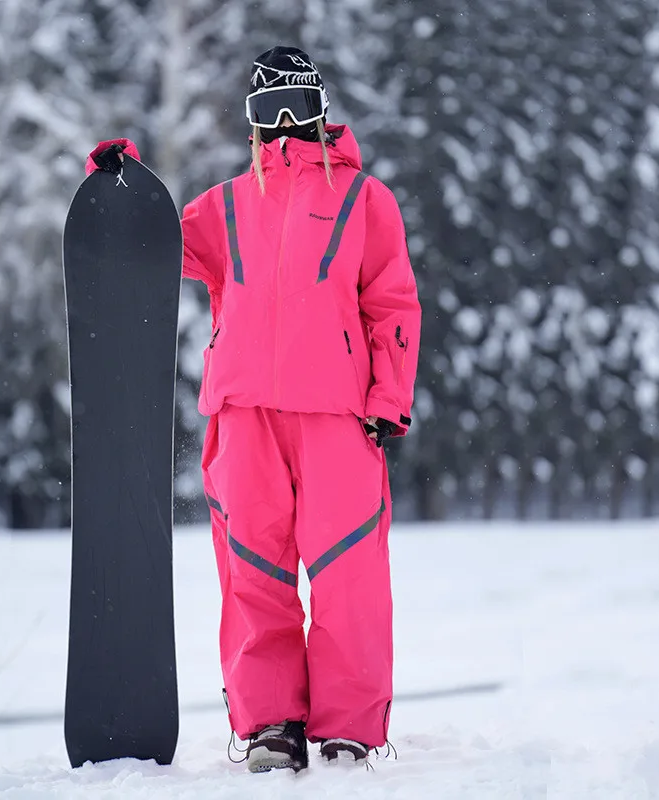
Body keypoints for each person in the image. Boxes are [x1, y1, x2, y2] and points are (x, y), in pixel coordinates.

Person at [85, 45, 421, 773]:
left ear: (323, 112)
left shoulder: (367, 200)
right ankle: (272, 724)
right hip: (242, 415)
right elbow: (156, 241)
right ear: (253, 123)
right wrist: (116, 184)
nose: (288, 127)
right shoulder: (227, 205)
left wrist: (388, 397)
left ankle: (348, 727)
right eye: (272, 114)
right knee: (252, 572)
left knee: (348, 571)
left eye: (301, 110)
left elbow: (392, 301)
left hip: (336, 415)